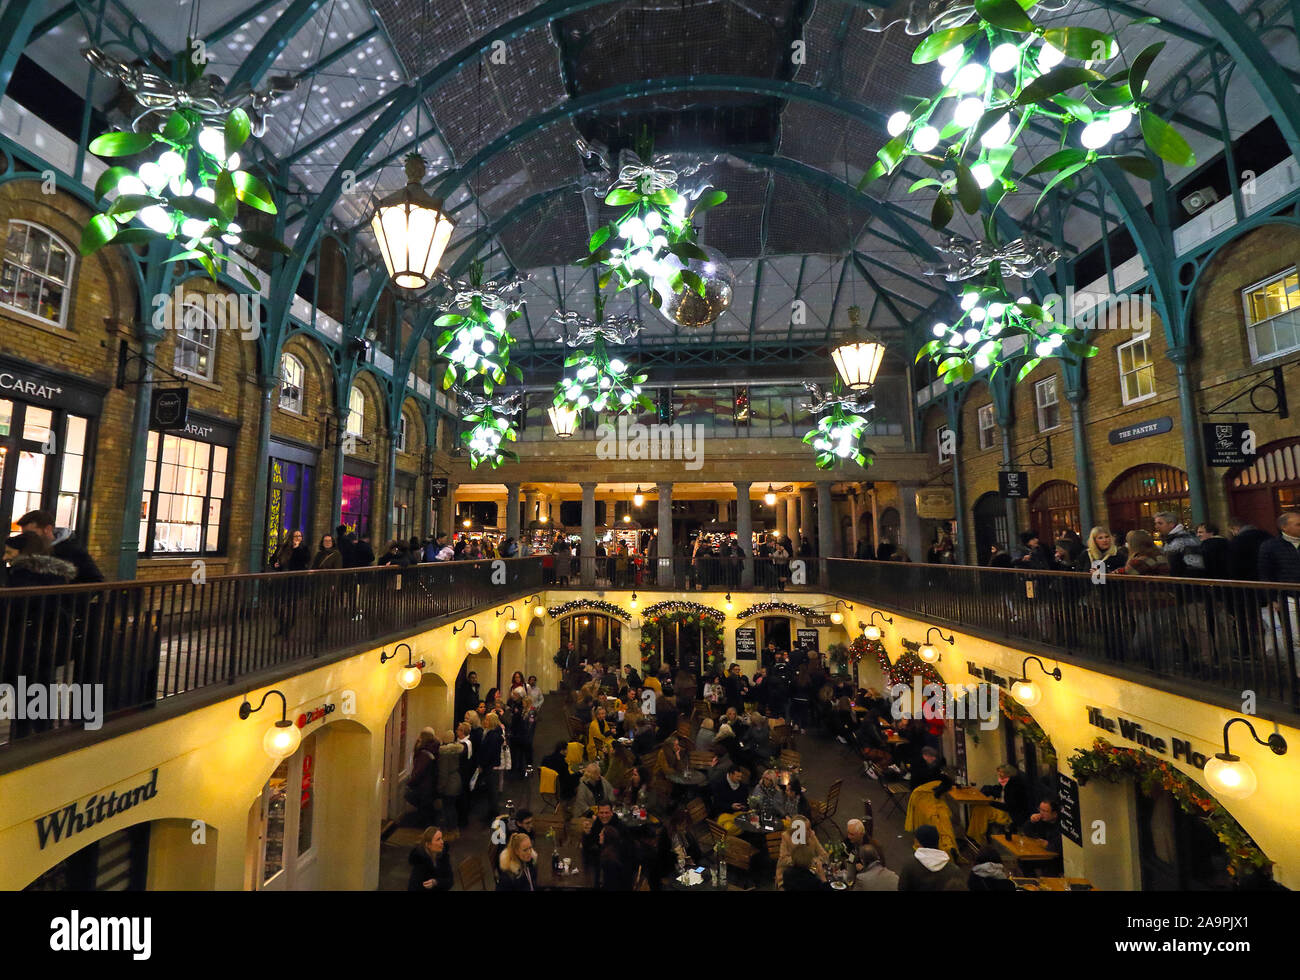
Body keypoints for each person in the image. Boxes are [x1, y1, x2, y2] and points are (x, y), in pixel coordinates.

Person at [16, 509, 103, 583]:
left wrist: (67, 600)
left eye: (32, 533)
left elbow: (95, 580)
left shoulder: (72, 550)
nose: (29, 538)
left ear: (47, 529)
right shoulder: (26, 549)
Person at [897, 824, 966, 891]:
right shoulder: (954, 870)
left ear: (917, 842)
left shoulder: (910, 865)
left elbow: (902, 888)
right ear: (938, 840)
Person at [981, 764, 1032, 831]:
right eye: (998, 772)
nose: (999, 774)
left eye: (1001, 772)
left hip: (1012, 814)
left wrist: (991, 802)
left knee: (981, 811)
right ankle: (976, 835)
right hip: (1004, 808)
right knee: (978, 807)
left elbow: (1010, 807)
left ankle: (978, 836)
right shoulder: (1005, 782)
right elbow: (999, 791)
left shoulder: (1014, 785)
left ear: (1009, 773)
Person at [1154, 511, 1205, 576]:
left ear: (1171, 524)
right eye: (1155, 523)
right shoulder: (1170, 539)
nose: (1156, 526)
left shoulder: (1184, 539)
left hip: (1185, 582)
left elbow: (1195, 566)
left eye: (1160, 523)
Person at [405, 728, 439, 822]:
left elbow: (419, 771)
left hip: (424, 785)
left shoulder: (424, 753)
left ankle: (426, 828)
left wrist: (410, 783)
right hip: (430, 784)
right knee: (428, 808)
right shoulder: (434, 748)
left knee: (424, 809)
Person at [407, 826, 452, 891]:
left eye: (441, 838)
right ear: (428, 845)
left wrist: (436, 882)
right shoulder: (420, 862)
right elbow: (413, 888)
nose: (442, 842)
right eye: (438, 839)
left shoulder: (443, 856)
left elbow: (450, 881)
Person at [1227, 517, 1271, 581]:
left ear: (1236, 528)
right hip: (1268, 576)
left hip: (1247, 578)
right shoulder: (1266, 535)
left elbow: (1234, 564)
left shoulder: (1237, 541)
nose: (1233, 533)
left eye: (1231, 531)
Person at [435, 729, 463, 825]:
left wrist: (440, 788)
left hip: (449, 784)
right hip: (456, 780)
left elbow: (443, 773)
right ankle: (454, 829)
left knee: (447, 808)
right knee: (452, 807)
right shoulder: (457, 750)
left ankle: (450, 830)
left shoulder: (444, 754)